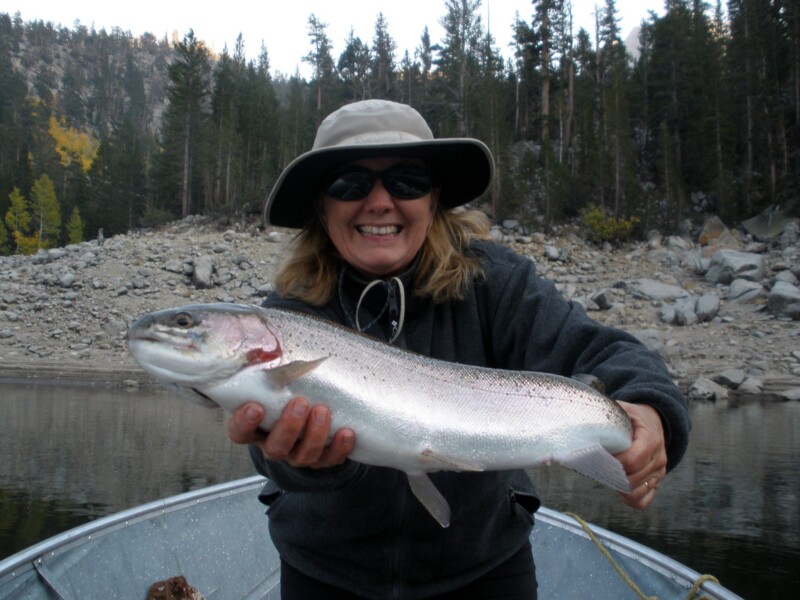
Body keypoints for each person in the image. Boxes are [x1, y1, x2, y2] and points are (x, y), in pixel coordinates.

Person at [227, 99, 690, 599]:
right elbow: (269, 453)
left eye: (406, 181)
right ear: (322, 205)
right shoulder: (283, 320)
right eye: (349, 184)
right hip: (325, 573)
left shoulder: (497, 284)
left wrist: (652, 413)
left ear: (434, 198)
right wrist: (297, 463)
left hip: (485, 569)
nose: (380, 201)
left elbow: (608, 353)